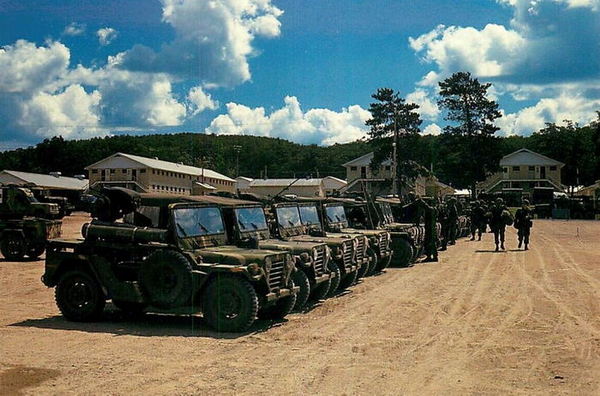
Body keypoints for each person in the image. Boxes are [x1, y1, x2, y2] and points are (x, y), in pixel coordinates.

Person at [418, 197, 438, 262]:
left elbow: (427, 207)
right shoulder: (434, 209)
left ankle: (430, 257)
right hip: (431, 228)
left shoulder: (432, 209)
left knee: (429, 242)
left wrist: (422, 202)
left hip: (430, 229)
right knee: (431, 243)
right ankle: (433, 256)